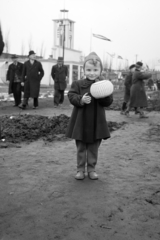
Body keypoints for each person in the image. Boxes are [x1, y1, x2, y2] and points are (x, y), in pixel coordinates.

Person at [66, 52, 113, 180]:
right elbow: (71, 96)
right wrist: (80, 100)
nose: (92, 73)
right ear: (84, 70)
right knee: (81, 146)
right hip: (81, 121)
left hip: (96, 122)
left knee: (93, 147)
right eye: (89, 70)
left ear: (100, 70)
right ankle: (80, 169)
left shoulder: (104, 85)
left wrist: (103, 96)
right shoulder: (78, 84)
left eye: (95, 70)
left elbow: (108, 102)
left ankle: (92, 169)